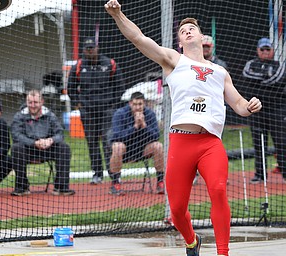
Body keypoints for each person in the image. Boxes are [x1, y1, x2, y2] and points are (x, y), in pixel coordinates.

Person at [105, 1, 262, 255]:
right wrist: (117, 14)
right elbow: (139, 38)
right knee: (177, 209)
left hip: (210, 143)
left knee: (219, 190)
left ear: (201, 37)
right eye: (183, 30)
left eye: (192, 29)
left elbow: (239, 104)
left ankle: (223, 252)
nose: (188, 31)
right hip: (181, 142)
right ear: (179, 41)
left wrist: (250, 105)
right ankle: (191, 241)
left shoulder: (219, 71)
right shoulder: (173, 60)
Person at [67, 37, 125, 185]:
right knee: (92, 142)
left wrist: (113, 105)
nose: (90, 51)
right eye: (87, 48)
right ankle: (97, 174)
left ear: (97, 48)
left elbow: (120, 87)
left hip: (107, 110)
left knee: (108, 141)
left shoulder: (110, 64)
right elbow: (71, 87)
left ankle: (113, 174)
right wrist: (78, 103)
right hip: (87, 111)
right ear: (84, 50)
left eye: (92, 48)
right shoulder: (78, 66)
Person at [11, 90, 75, 196]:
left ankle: (61, 187)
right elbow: (16, 135)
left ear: (42, 102)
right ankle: (22, 187)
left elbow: (60, 133)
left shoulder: (50, 116)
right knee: (16, 148)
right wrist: (34, 143)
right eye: (30, 102)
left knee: (64, 147)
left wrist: (50, 140)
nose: (33, 105)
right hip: (28, 150)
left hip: (47, 149)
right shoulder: (19, 116)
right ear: (26, 102)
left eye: (35, 102)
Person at [242, 38, 286, 184]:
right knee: (259, 143)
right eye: (263, 49)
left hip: (276, 110)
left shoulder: (279, 64)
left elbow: (278, 79)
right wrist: (266, 80)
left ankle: (285, 173)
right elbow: (248, 76)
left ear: (272, 50)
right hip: (257, 111)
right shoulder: (251, 64)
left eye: (268, 49)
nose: (265, 52)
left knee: (281, 142)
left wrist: (260, 83)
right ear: (258, 50)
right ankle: (260, 174)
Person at [109, 91, 164, 195]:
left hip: (143, 150)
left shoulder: (150, 114)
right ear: (130, 103)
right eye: (135, 104)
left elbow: (156, 136)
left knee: (158, 146)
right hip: (125, 150)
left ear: (144, 104)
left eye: (140, 104)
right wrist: (134, 127)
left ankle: (160, 182)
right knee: (117, 146)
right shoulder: (120, 114)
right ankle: (115, 183)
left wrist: (144, 126)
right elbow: (116, 136)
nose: (137, 107)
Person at [193, 35, 229, 185]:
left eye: (207, 47)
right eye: (203, 46)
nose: (205, 49)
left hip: (214, 109)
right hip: (196, 107)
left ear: (211, 47)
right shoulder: (192, 63)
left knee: (215, 141)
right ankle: (193, 173)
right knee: (194, 139)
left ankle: (217, 175)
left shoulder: (220, 65)